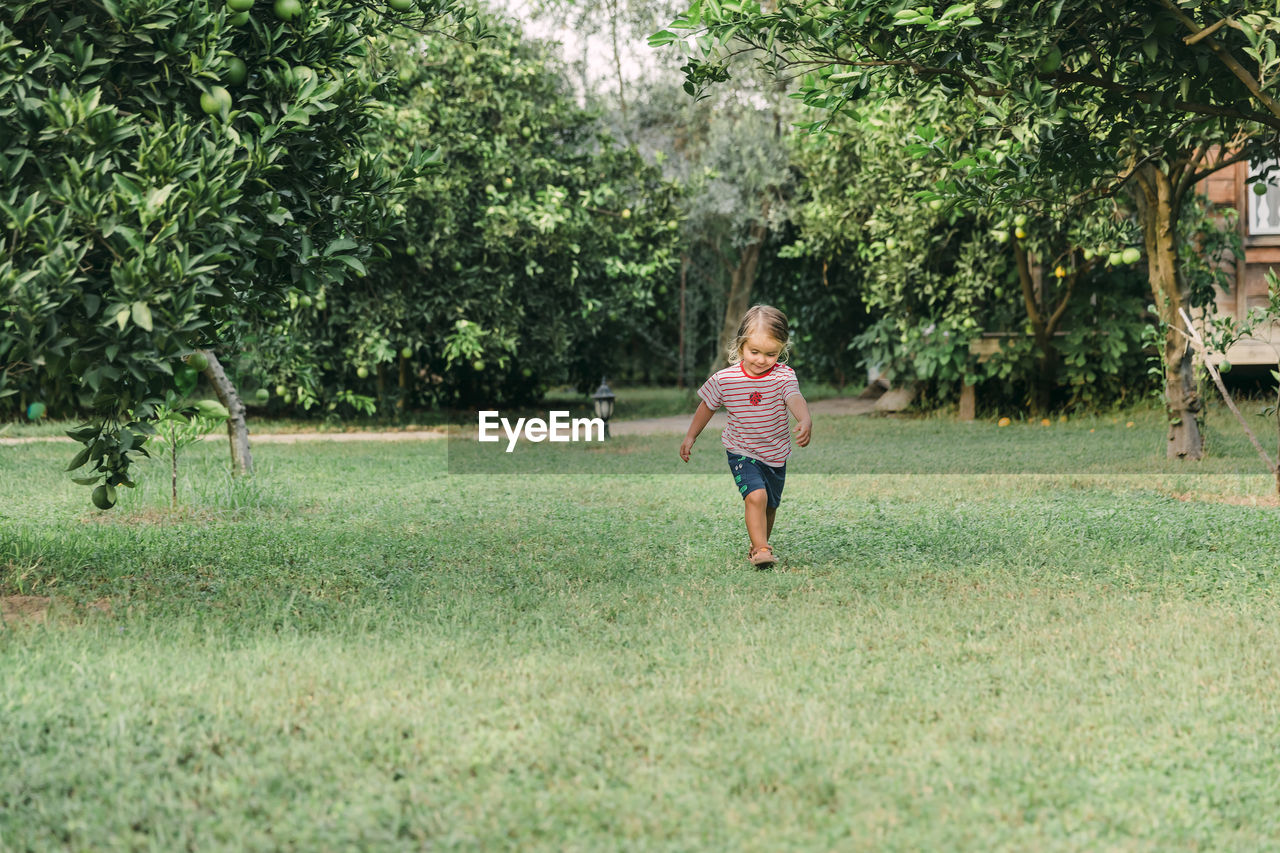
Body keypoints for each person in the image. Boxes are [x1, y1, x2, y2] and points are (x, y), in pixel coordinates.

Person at [679, 305, 812, 568]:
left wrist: (804, 418)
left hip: (775, 454)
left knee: (770, 505)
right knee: (756, 497)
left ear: (782, 349)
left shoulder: (783, 376)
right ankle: (762, 549)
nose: (762, 359)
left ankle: (757, 545)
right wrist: (691, 436)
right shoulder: (725, 379)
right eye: (755, 352)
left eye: (771, 354)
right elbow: (707, 406)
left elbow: (794, 398)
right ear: (741, 346)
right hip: (741, 450)